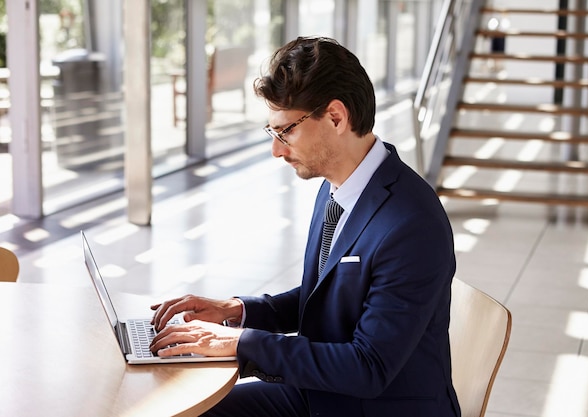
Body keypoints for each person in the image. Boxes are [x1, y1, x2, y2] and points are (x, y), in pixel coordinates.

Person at [150, 36, 461, 417]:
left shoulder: (412, 224)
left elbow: (369, 368)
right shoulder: (339, 185)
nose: (277, 150)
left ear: (335, 117)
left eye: (286, 131)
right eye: (273, 133)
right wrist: (236, 311)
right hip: (324, 393)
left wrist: (239, 343)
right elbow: (325, 299)